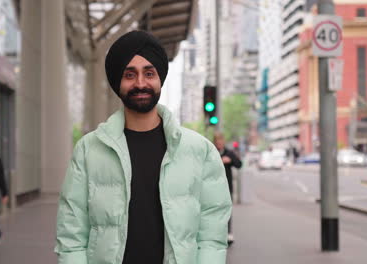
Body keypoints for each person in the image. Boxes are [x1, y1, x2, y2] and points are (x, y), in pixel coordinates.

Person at [55, 30, 232, 264]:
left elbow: (212, 235)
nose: (140, 83)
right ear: (118, 82)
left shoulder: (201, 151)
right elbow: (71, 235)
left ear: (160, 79)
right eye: (130, 74)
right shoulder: (89, 149)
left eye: (149, 73)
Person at [213, 132, 242, 245]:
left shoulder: (229, 153)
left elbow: (239, 164)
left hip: (226, 187)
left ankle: (228, 233)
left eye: (221, 141)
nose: (219, 144)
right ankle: (216, 234)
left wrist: (230, 160)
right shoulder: (212, 152)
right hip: (213, 187)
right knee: (214, 211)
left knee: (227, 211)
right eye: (217, 142)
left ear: (223, 142)